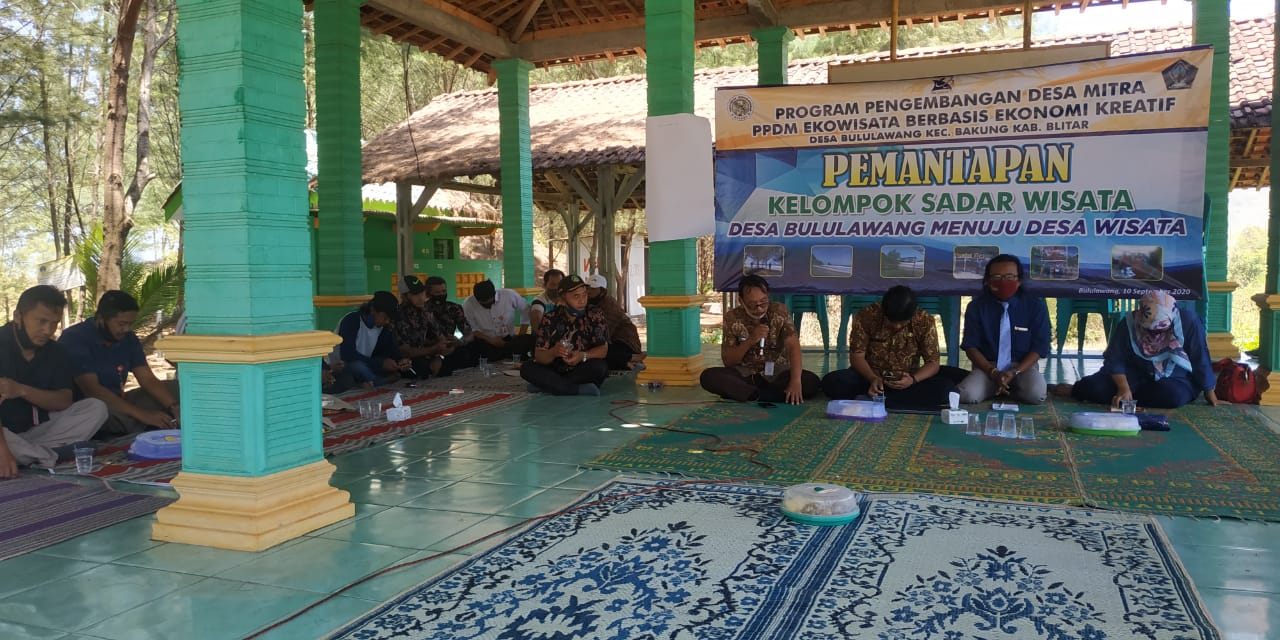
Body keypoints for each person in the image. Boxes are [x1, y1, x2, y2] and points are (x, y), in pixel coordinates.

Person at [0, 285, 108, 478]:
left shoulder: (55, 351)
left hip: (40, 433)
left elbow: (63, 401)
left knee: (96, 408)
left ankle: (29, 455)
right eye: (41, 321)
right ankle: (49, 456)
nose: (47, 330)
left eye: (54, 323)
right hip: (4, 435)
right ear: (18, 316)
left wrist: (21, 390)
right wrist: (3, 449)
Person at [1064, 290, 1219, 409]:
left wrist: (1209, 392)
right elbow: (1115, 359)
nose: (1153, 334)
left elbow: (1200, 357)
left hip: (1174, 378)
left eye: (1159, 330)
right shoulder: (1129, 322)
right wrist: (1123, 388)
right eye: (1149, 330)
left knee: (1172, 396)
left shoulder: (1190, 322)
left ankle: (1128, 399)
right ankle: (1124, 396)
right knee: (1093, 387)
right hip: (1133, 376)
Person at [59, 290, 181, 436]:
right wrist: (142, 414)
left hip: (121, 401)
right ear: (101, 318)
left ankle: (154, 421)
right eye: (122, 324)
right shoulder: (75, 338)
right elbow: (92, 390)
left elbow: (147, 378)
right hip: (90, 407)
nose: (127, 329)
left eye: (130, 324)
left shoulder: (128, 338)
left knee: (177, 388)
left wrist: (174, 406)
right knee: (102, 410)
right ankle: (139, 426)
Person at [822, 285, 959, 411]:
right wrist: (872, 378)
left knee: (946, 390)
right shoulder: (867, 315)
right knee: (833, 382)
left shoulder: (924, 321)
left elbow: (933, 363)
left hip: (908, 381)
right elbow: (857, 356)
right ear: (883, 309)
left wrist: (913, 380)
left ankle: (876, 399)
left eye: (902, 323)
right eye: (891, 321)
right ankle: (889, 399)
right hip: (869, 378)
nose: (896, 326)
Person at [699, 275, 820, 404]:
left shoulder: (780, 311)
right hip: (746, 375)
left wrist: (795, 381)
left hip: (778, 374)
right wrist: (750, 340)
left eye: (763, 302)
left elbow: (793, 347)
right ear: (741, 301)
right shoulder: (732, 318)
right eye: (752, 304)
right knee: (708, 377)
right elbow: (728, 361)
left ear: (768, 296)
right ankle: (762, 395)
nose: (759, 308)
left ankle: (751, 395)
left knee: (811, 382)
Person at [956, 255, 1050, 405]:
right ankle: (1001, 387)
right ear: (988, 280)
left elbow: (1040, 347)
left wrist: (1014, 372)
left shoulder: (1035, 306)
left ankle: (1006, 388)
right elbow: (970, 346)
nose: (1003, 281)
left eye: (1009, 277)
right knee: (967, 395)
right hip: (988, 368)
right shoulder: (976, 306)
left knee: (1036, 394)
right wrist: (992, 372)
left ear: (1019, 280)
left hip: (1022, 368)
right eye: (997, 277)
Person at [521, 275, 610, 396]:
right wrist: (554, 352)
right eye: (576, 296)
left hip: (581, 367)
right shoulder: (550, 318)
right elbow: (539, 355)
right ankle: (575, 389)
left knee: (600, 367)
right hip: (555, 368)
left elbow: (603, 349)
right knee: (527, 368)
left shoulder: (594, 314)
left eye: (584, 295)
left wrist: (582, 355)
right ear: (562, 299)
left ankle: (548, 386)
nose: (582, 301)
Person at [394, 275, 474, 378]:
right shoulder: (399, 315)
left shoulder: (426, 311)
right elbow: (405, 351)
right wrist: (434, 350)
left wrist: (444, 349)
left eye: (421, 293)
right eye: (415, 294)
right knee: (422, 368)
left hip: (429, 353)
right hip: (410, 358)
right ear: (405, 297)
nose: (420, 297)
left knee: (464, 354)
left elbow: (440, 336)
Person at [334, 291, 412, 387]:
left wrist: (401, 361)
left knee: (380, 368)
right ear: (373, 310)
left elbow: (391, 348)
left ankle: (370, 381)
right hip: (342, 364)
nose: (387, 321)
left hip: (366, 362)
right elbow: (348, 355)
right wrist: (380, 363)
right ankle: (376, 381)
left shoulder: (383, 327)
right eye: (385, 317)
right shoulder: (351, 320)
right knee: (359, 367)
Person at [584, 273, 646, 371]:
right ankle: (626, 362)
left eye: (593, 288)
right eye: (588, 288)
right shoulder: (589, 303)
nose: (589, 291)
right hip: (612, 342)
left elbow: (605, 332)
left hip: (624, 342)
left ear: (602, 290)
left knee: (600, 352)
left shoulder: (609, 304)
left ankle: (632, 358)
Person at [463, 279, 534, 362]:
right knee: (473, 347)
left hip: (509, 339)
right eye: (484, 305)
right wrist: (492, 340)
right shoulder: (468, 304)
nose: (489, 306)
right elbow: (472, 329)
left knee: (529, 340)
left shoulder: (508, 295)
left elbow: (526, 310)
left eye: (491, 303)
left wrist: (521, 334)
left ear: (494, 294)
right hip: (486, 341)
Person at [422, 276, 478, 367]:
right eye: (437, 292)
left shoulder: (454, 308)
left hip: (451, 348)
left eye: (443, 291)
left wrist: (460, 342)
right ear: (428, 293)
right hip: (429, 351)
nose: (441, 294)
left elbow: (469, 333)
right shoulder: (422, 310)